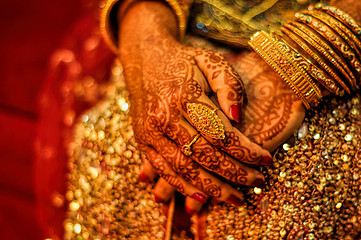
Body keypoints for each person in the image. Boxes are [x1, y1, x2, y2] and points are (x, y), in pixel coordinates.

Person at [60, 0, 361, 239]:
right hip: (185, 24)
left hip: (340, 38)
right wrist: (146, 41)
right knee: (119, 146)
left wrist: (299, 57)